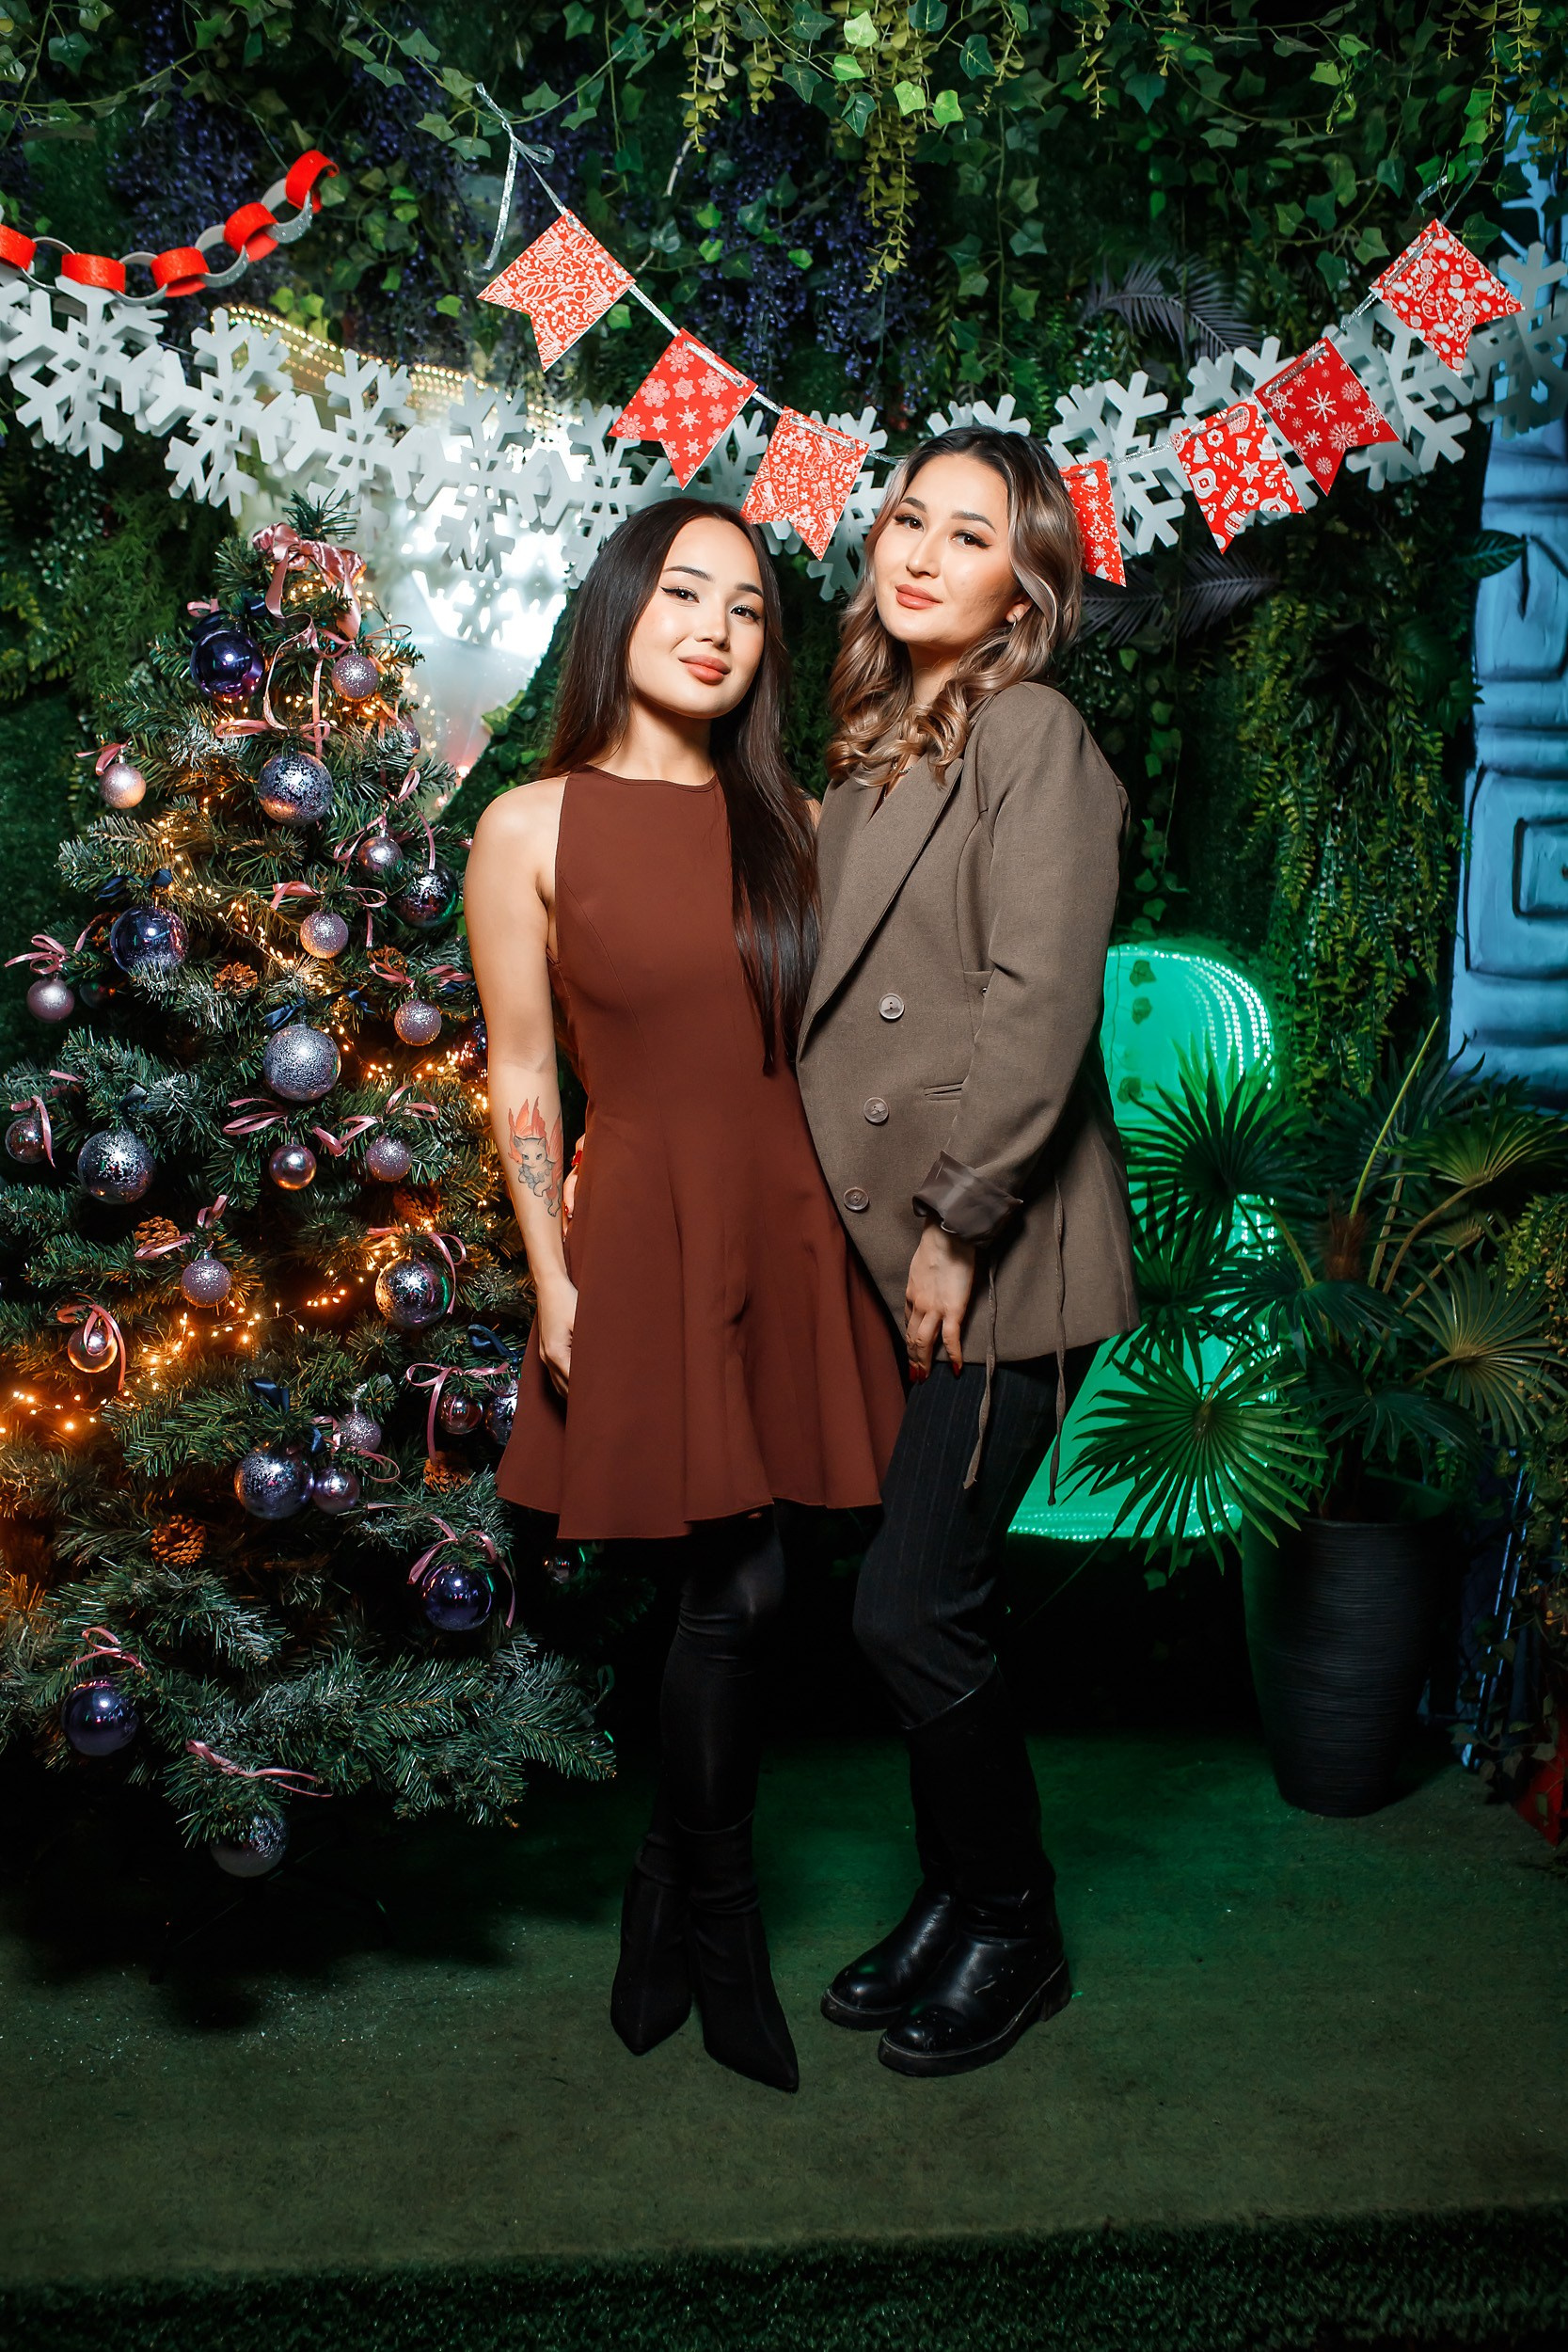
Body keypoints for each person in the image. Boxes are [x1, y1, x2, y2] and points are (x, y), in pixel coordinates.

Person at [464, 498, 903, 2095]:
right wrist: (553, 1278)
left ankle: (670, 1891)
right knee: (732, 1580)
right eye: (683, 594)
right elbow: (524, 1075)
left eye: (748, 606)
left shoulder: (798, 817)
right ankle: (722, 1921)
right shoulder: (528, 827)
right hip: (647, 1225)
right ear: (621, 612)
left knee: (758, 1581)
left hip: (792, 1224)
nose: (716, 628)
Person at [796, 426, 1138, 2078]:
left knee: (912, 1609)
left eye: (972, 534)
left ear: (1026, 588)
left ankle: (1014, 1922)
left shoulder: (1032, 732)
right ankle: (954, 1897)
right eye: (908, 519)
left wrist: (957, 1223)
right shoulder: (877, 749)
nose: (923, 552)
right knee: (924, 1601)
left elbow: (1040, 998)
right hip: (896, 1251)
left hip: (1002, 1249)